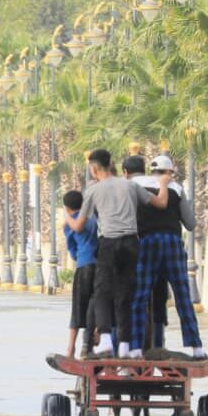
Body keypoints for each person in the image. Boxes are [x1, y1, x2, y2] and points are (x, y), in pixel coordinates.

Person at [63, 149, 170, 359]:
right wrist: (164, 185)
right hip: (131, 242)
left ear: (93, 169)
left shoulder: (93, 191)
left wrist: (66, 217)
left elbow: (78, 226)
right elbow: (161, 203)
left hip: (109, 243)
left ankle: (104, 341)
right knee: (125, 294)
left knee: (103, 291)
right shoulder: (130, 185)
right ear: (111, 163)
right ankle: (124, 345)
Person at [128, 155, 206, 359]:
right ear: (169, 172)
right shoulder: (177, 188)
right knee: (182, 296)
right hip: (172, 243)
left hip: (146, 243)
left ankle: (135, 348)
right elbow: (189, 223)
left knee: (140, 297)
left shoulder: (134, 184)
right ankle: (196, 347)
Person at [61, 190, 98, 359]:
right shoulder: (93, 221)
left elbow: (72, 248)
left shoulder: (70, 223)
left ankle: (70, 349)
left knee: (77, 307)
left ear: (67, 208)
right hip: (99, 266)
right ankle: (88, 345)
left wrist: (78, 256)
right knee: (95, 305)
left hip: (83, 265)